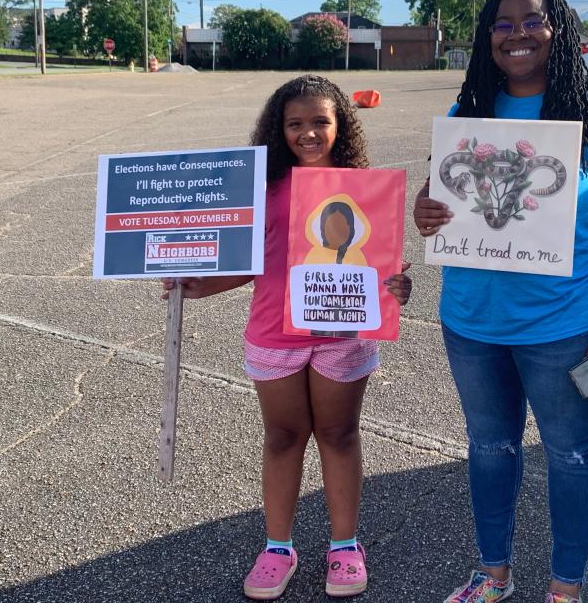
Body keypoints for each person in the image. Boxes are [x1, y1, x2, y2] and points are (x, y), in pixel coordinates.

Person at [413, 0, 588, 603]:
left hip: (565, 330)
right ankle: (493, 575)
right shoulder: (469, 113)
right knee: (489, 449)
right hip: (470, 322)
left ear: (559, 30)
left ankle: (565, 588)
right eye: (502, 24)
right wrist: (425, 209)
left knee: (572, 456)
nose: (516, 35)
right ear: (487, 36)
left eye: (531, 21)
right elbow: (438, 198)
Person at [161, 75, 411, 600]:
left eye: (320, 121)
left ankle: (344, 545)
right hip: (275, 330)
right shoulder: (262, 185)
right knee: (282, 438)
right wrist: (199, 285)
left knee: (339, 436)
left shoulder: (363, 187)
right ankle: (279, 547)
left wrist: (395, 287)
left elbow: (380, 266)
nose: (308, 133)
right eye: (295, 123)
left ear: (340, 125)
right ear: (279, 130)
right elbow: (250, 261)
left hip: (343, 332)